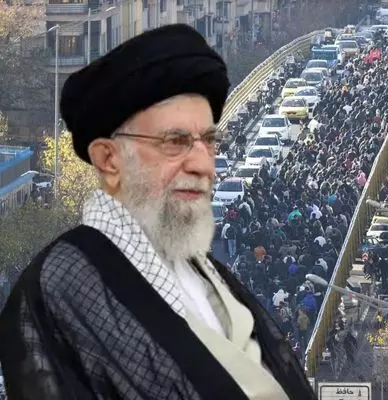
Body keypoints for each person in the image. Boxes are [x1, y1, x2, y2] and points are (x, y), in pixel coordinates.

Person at [0, 25, 315, 400]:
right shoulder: (58, 288)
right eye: (175, 142)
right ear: (109, 159)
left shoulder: (208, 276)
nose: (202, 163)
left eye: (208, 140)